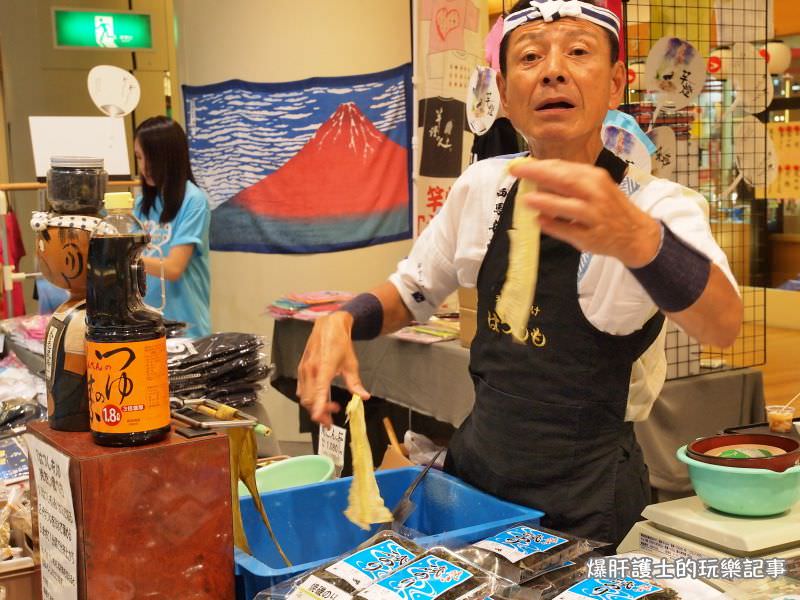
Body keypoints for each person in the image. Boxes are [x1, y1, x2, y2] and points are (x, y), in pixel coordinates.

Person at [297, 0, 743, 546]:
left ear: (615, 83)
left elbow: (721, 323)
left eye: (579, 52)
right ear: (504, 95)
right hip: (476, 477)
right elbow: (412, 290)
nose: (554, 69)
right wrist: (344, 319)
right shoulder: (482, 187)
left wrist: (636, 238)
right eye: (530, 56)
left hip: (584, 500)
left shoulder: (660, 205)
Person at [133, 116, 211, 338]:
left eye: (150, 158)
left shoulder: (194, 201)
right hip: (147, 325)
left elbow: (174, 268)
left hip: (187, 328)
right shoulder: (142, 203)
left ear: (169, 157)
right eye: (139, 158)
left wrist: (121, 256)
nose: (143, 167)